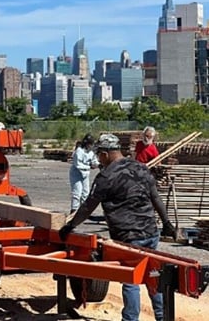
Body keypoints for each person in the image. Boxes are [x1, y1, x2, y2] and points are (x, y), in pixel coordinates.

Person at [59, 133, 177, 321]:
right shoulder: (140, 168)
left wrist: (70, 226)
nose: (98, 159)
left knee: (131, 279)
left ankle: (130, 319)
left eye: (99, 155)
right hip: (150, 232)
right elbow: (156, 197)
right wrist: (167, 223)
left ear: (105, 154)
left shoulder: (106, 176)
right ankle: (162, 317)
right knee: (153, 275)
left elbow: (89, 206)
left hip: (128, 236)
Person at [69, 133, 99, 214]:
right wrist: (90, 167)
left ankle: (83, 212)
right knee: (77, 193)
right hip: (77, 174)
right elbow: (78, 165)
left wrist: (97, 164)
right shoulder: (79, 151)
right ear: (86, 144)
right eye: (90, 144)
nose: (91, 146)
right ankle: (74, 210)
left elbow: (94, 161)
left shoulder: (91, 152)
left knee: (85, 193)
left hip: (85, 174)